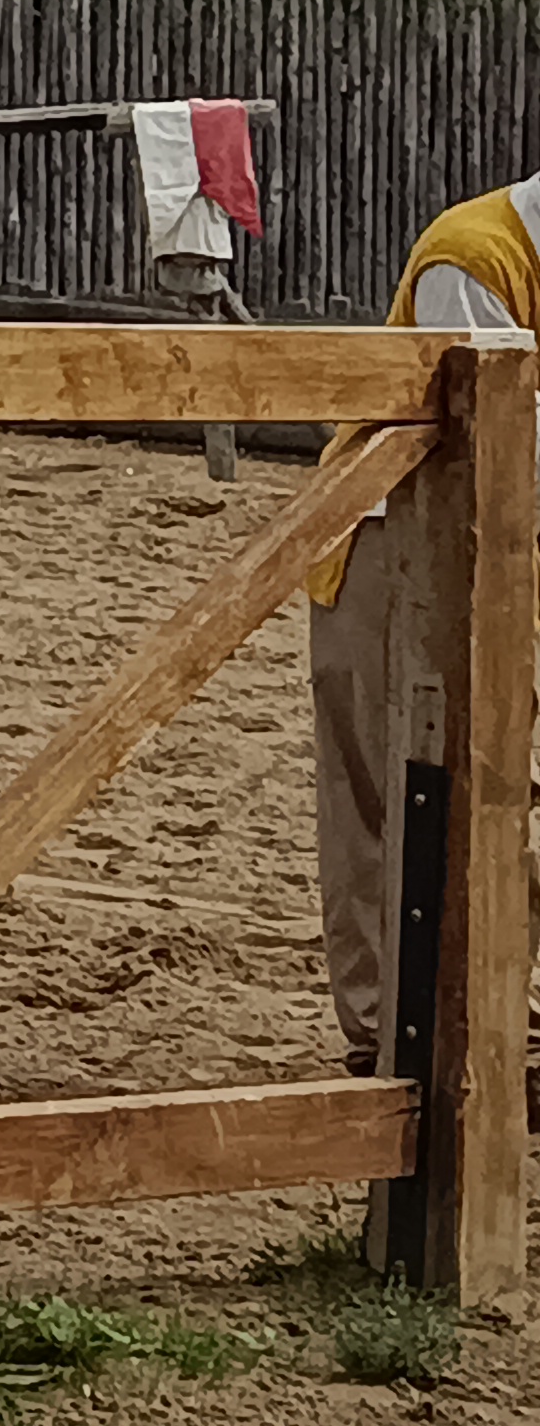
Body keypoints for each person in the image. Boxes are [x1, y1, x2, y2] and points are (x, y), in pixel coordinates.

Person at [310, 173, 540, 1071]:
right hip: (393, 533)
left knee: (506, 782)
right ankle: (386, 1035)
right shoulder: (474, 256)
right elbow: (497, 443)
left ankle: (501, 1014)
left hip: (506, 541)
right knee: (384, 791)